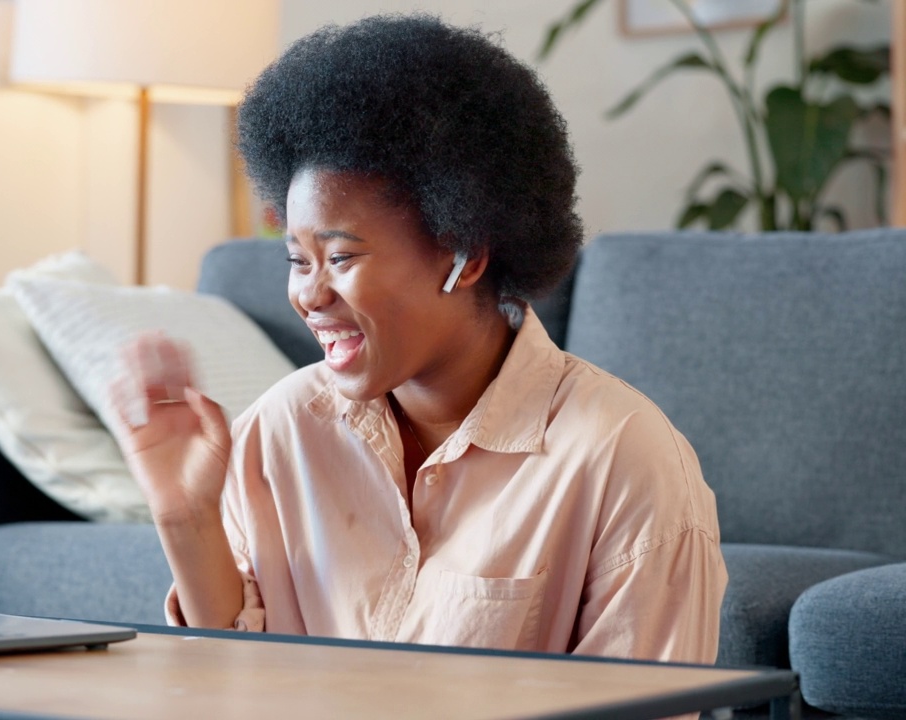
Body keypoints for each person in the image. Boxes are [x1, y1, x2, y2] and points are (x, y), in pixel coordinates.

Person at [108, 13, 726, 663]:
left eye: (340, 258)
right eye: (298, 260)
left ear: (464, 253)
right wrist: (185, 517)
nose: (309, 296)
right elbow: (225, 688)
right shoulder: (278, 433)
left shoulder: (621, 456)